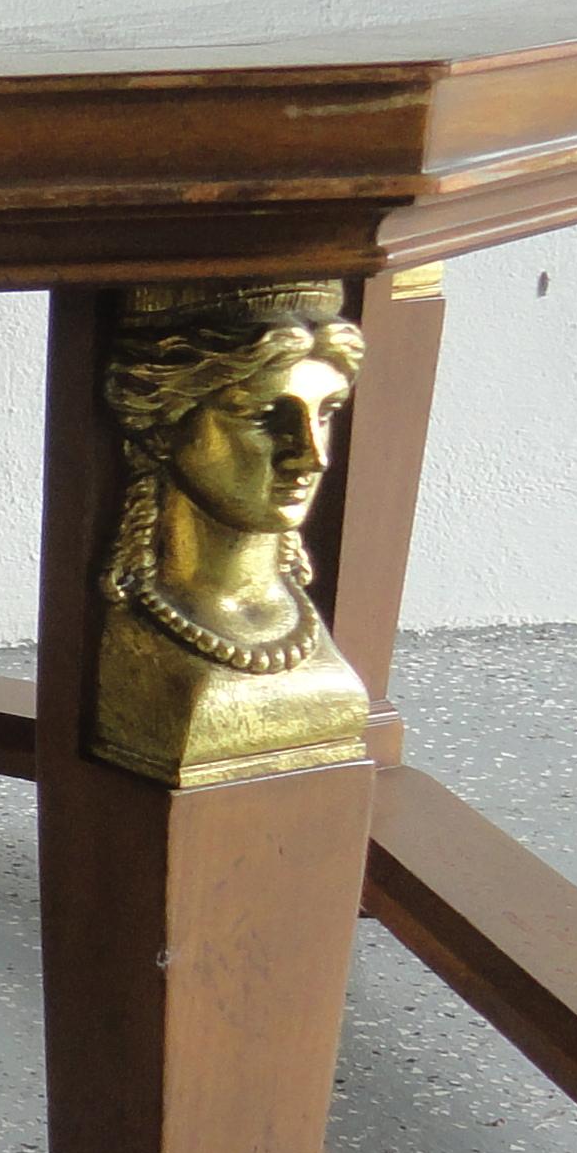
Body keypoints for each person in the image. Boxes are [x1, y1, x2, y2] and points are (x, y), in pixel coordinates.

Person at [88, 280, 369, 786]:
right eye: (264, 417)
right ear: (163, 425)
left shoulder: (296, 621)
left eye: (324, 414)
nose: (312, 456)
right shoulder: (139, 638)